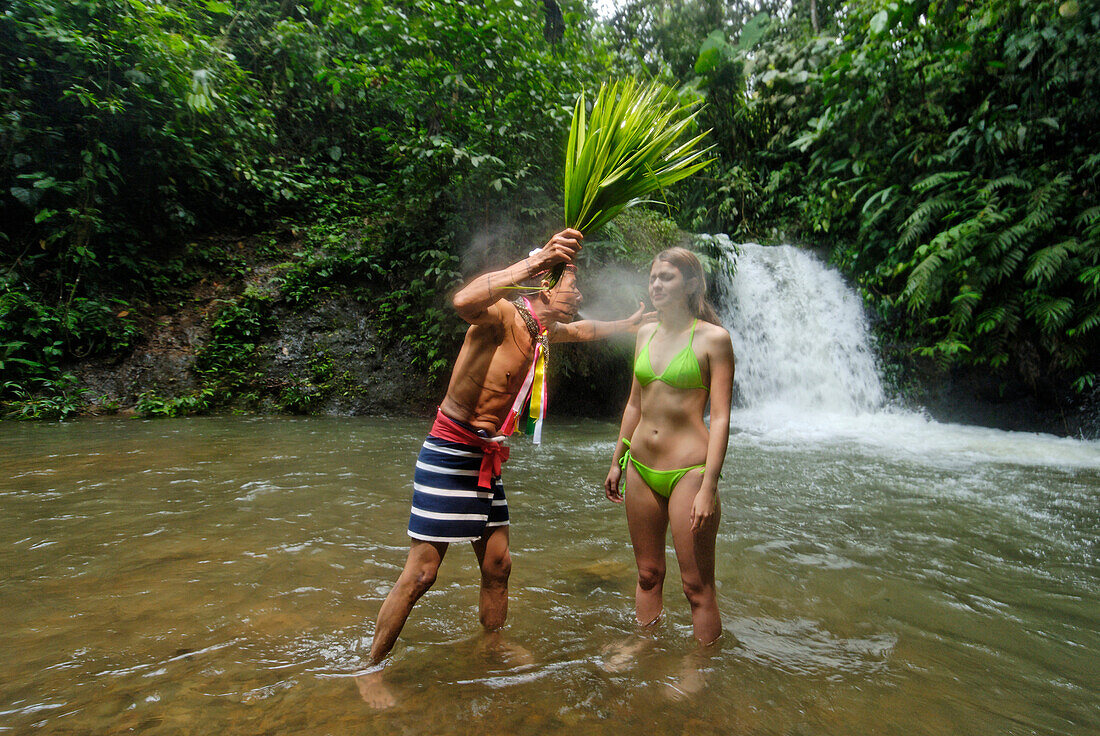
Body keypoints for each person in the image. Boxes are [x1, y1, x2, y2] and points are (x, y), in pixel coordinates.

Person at [358, 228, 651, 708]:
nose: (578, 294)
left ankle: (491, 647)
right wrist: (531, 264)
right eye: (570, 284)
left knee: (498, 565)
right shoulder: (500, 315)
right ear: (543, 287)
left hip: (488, 459)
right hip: (450, 452)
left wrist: (629, 323)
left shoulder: (543, 331)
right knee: (422, 574)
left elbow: (583, 330)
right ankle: (369, 669)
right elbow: (462, 298)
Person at [604, 247, 735, 657]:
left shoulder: (714, 339)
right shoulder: (645, 332)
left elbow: (722, 418)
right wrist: (617, 460)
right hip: (640, 466)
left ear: (691, 284)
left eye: (667, 278)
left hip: (689, 472)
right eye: (653, 277)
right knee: (647, 574)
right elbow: (634, 404)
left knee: (696, 585)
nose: (656, 285)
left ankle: (702, 665)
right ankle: (645, 647)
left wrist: (708, 487)